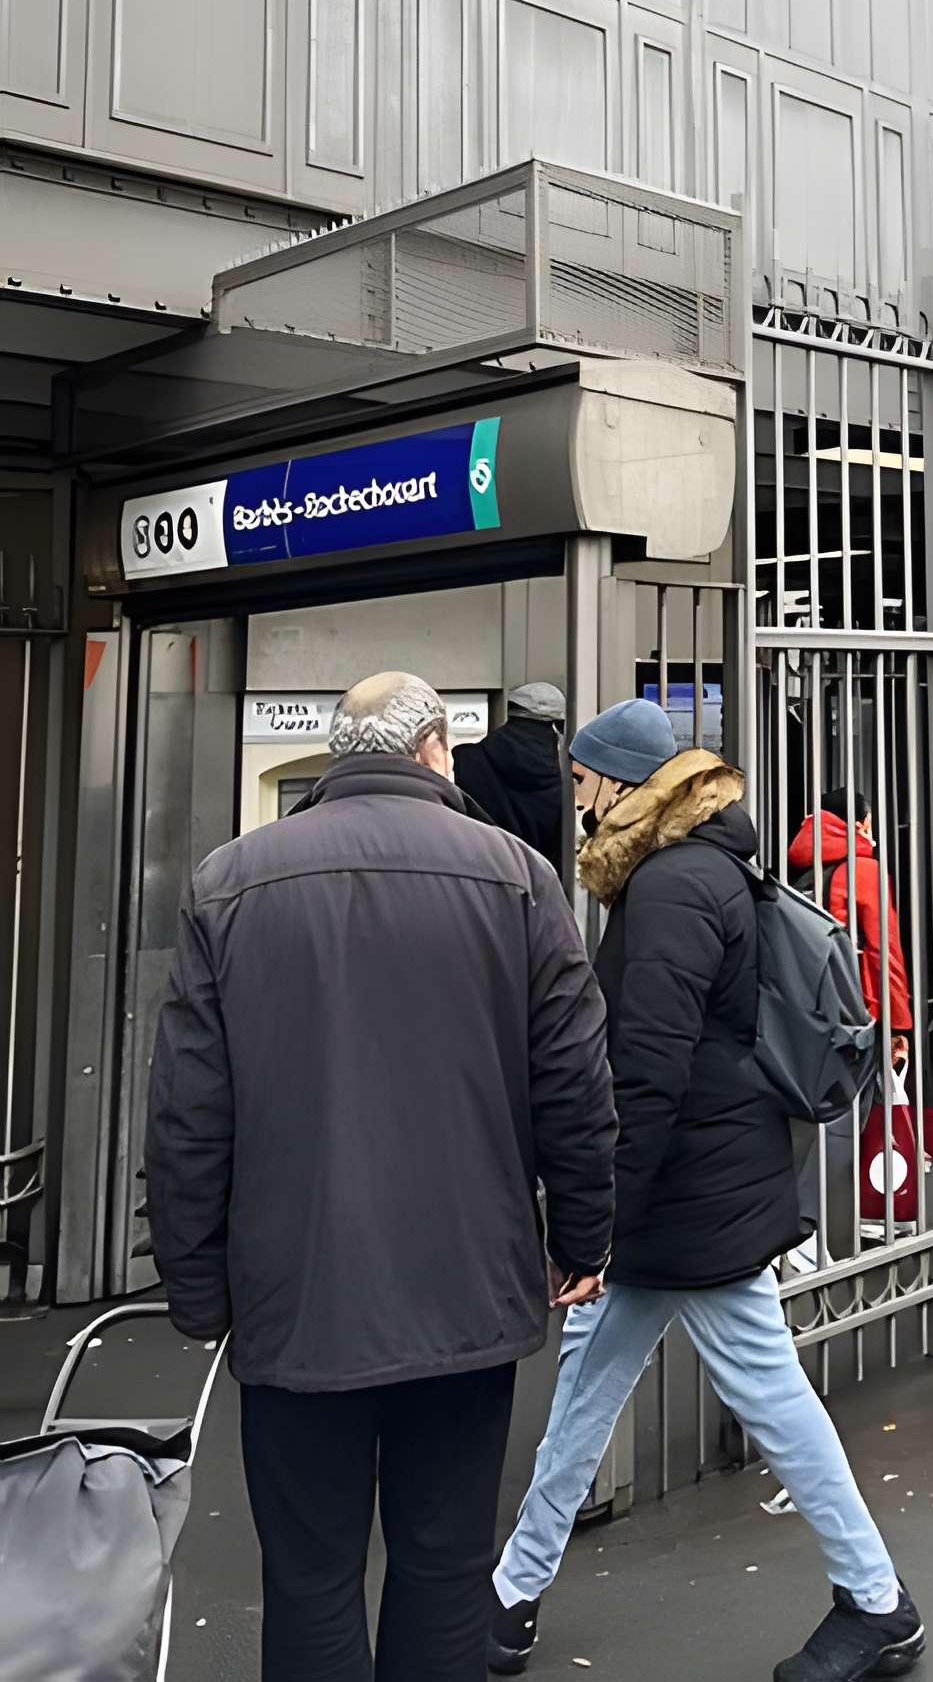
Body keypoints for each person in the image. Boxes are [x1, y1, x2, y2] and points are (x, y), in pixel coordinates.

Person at [145, 671, 616, 1682]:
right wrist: (582, 1237)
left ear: (337, 754)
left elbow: (189, 1111)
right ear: (437, 750)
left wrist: (195, 1286)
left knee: (309, 1580)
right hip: (467, 1293)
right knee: (444, 1570)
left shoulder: (227, 882)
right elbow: (575, 1084)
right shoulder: (519, 878)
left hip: (293, 1298)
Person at [489, 701, 923, 1682]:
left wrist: (596, 1226)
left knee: (767, 1397)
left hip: (690, 1199)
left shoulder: (676, 885)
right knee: (588, 1389)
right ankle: (511, 1596)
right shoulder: (697, 869)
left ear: (623, 787)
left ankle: (877, 1600)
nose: (578, 796)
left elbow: (648, 1069)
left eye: (587, 779)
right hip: (695, 1188)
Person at [784, 789, 913, 1267]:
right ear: (859, 822)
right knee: (845, 1125)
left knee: (815, 1122)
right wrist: (897, 1024)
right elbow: (884, 954)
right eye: (870, 820)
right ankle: (801, 1231)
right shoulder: (862, 870)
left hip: (810, 1013)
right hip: (858, 1016)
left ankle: (808, 1228)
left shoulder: (800, 868)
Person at [454, 681, 569, 865]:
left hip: (486, 874)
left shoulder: (467, 760)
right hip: (547, 880)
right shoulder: (569, 774)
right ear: (556, 724)